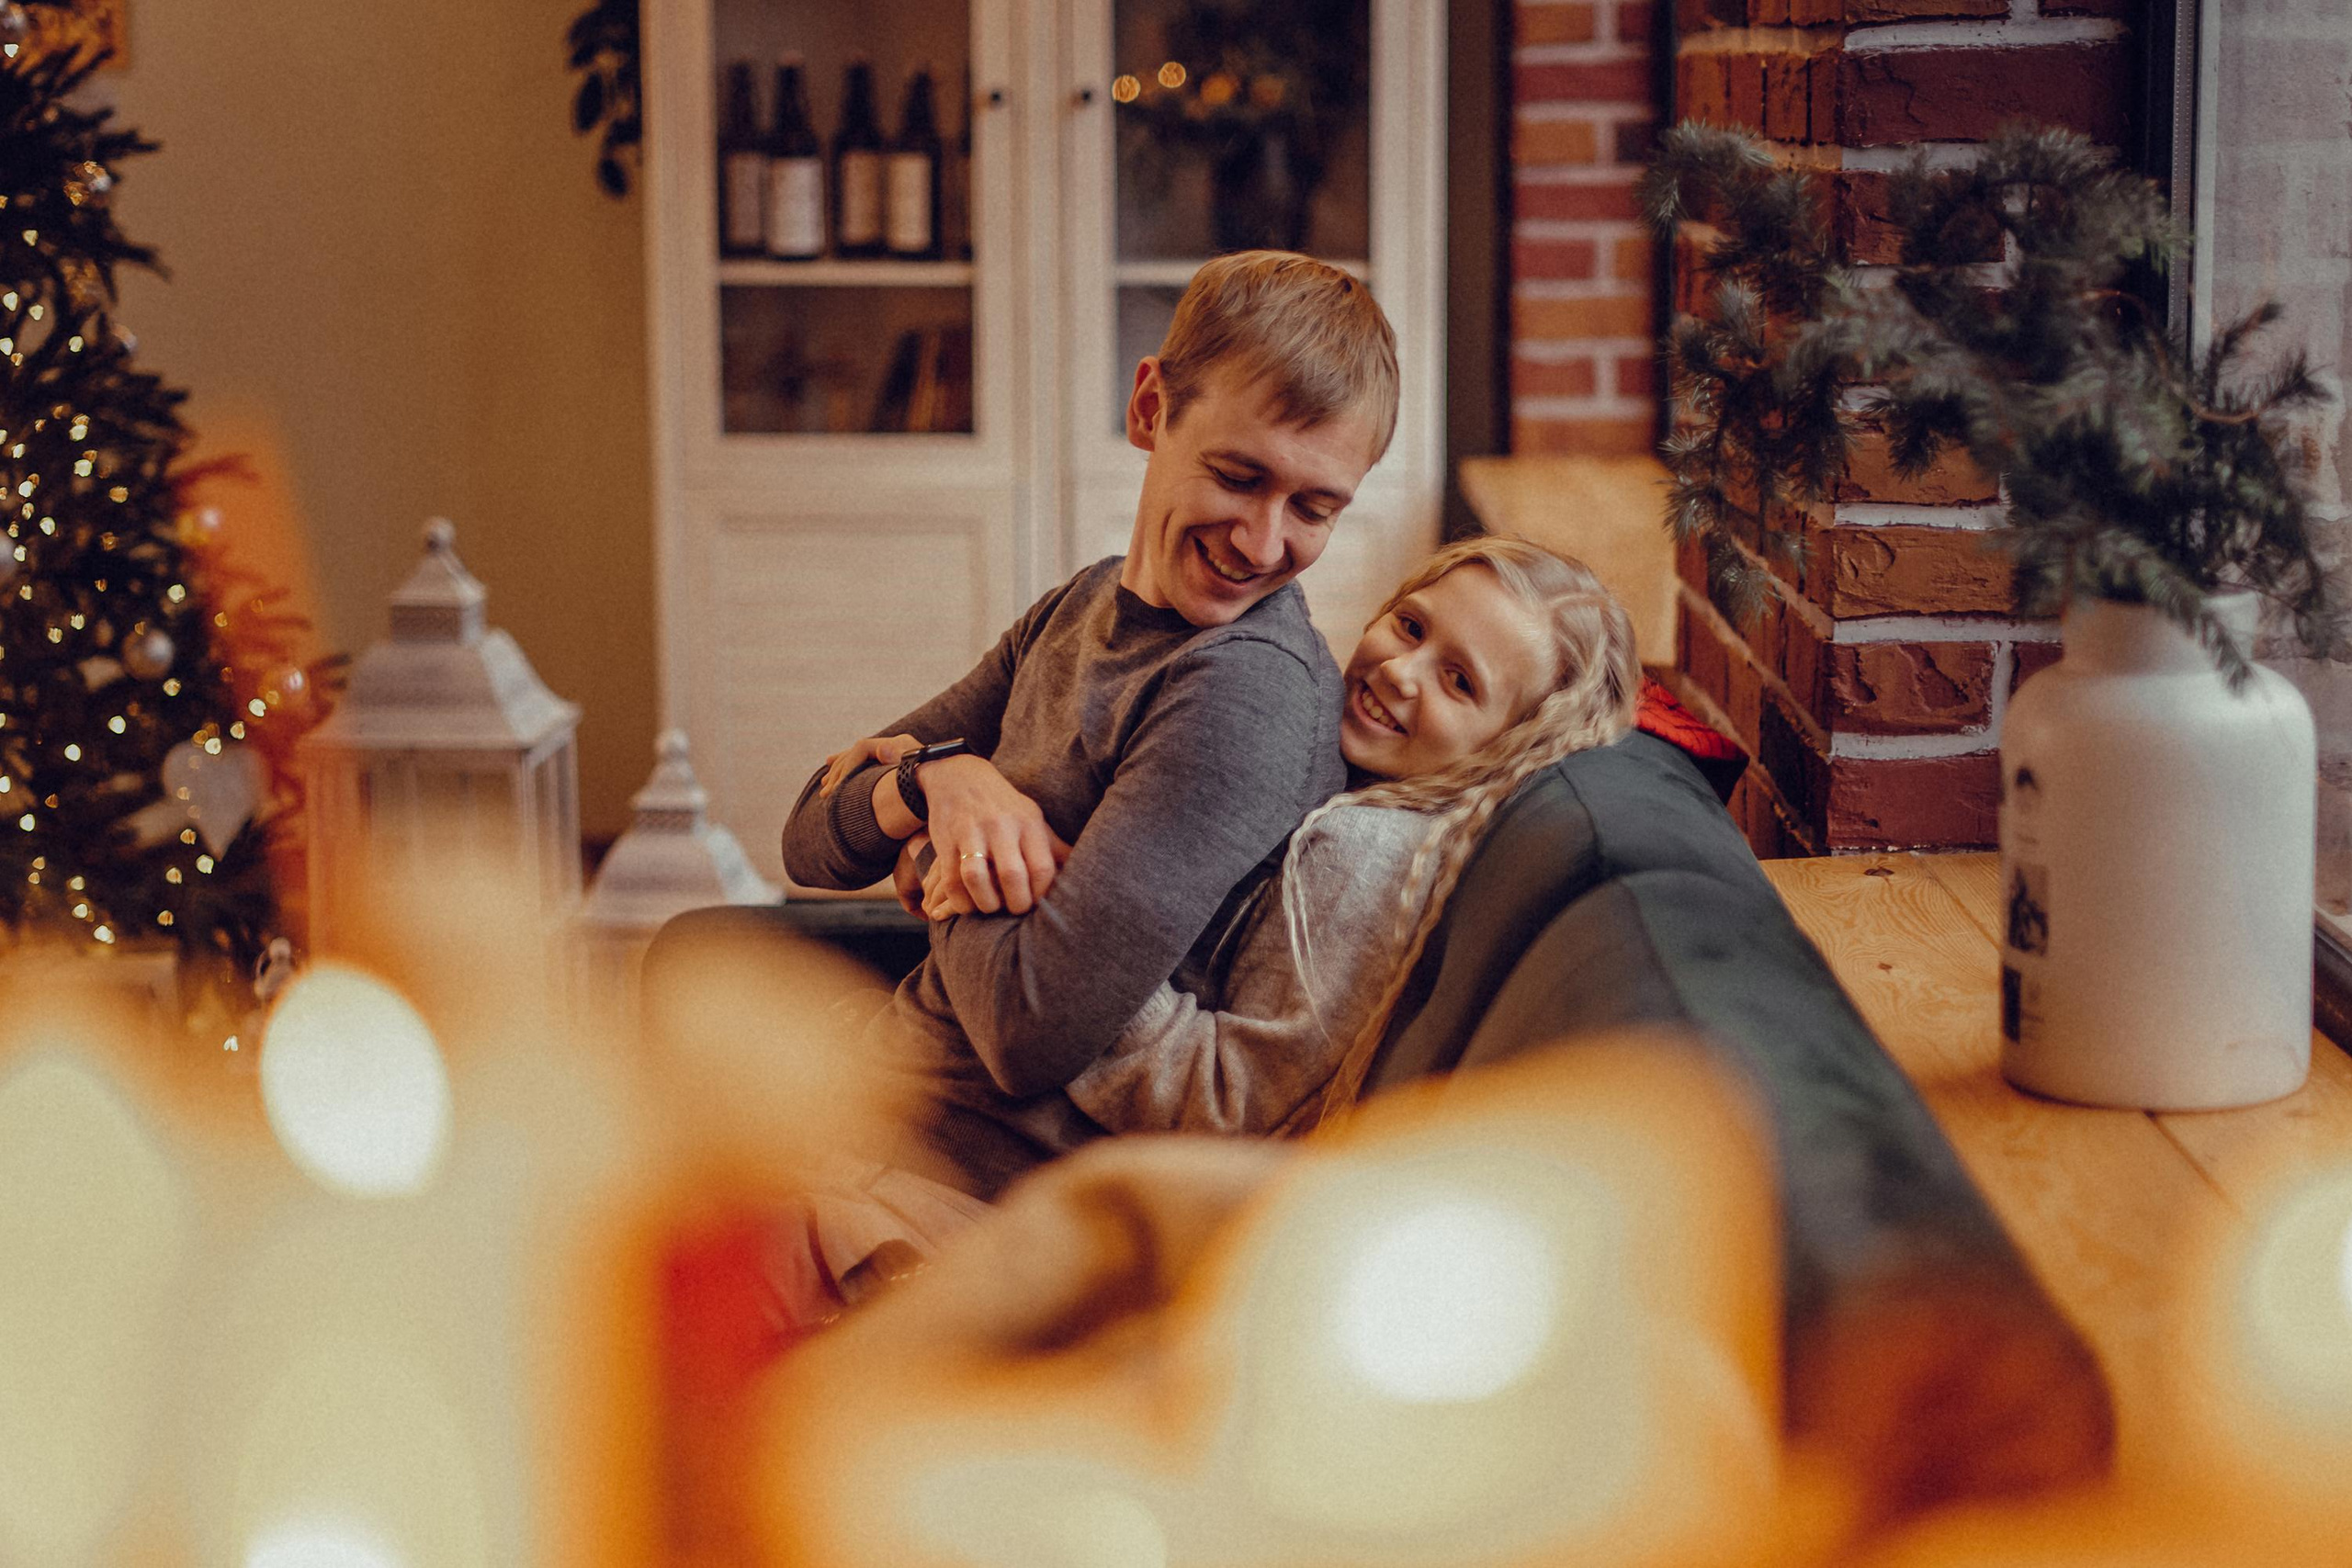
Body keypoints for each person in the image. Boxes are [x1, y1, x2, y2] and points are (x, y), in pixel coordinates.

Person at [779, 250, 1399, 1203]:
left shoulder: (1242, 694)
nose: (1265, 543)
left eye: (1314, 509)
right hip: (869, 1097)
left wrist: (938, 852)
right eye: (1238, 477)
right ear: (1150, 409)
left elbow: (1031, 1032)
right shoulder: (1080, 607)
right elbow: (811, 840)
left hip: (963, 1178)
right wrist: (942, 786)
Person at [899, 536, 1641, 1140]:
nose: (1401, 671)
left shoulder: (1366, 852)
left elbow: (1232, 1108)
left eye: (1459, 682)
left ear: (1507, 748)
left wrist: (1022, 891)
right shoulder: (1339, 764)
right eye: (1411, 626)